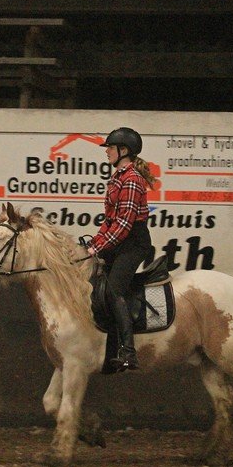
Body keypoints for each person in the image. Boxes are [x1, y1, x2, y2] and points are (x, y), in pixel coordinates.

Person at [87, 127, 158, 370]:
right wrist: (94, 243)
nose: (106, 151)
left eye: (110, 147)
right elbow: (110, 221)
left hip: (134, 245)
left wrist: (99, 247)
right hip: (120, 242)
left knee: (113, 290)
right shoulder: (117, 178)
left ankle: (128, 352)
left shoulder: (132, 180)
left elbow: (124, 224)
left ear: (123, 150)